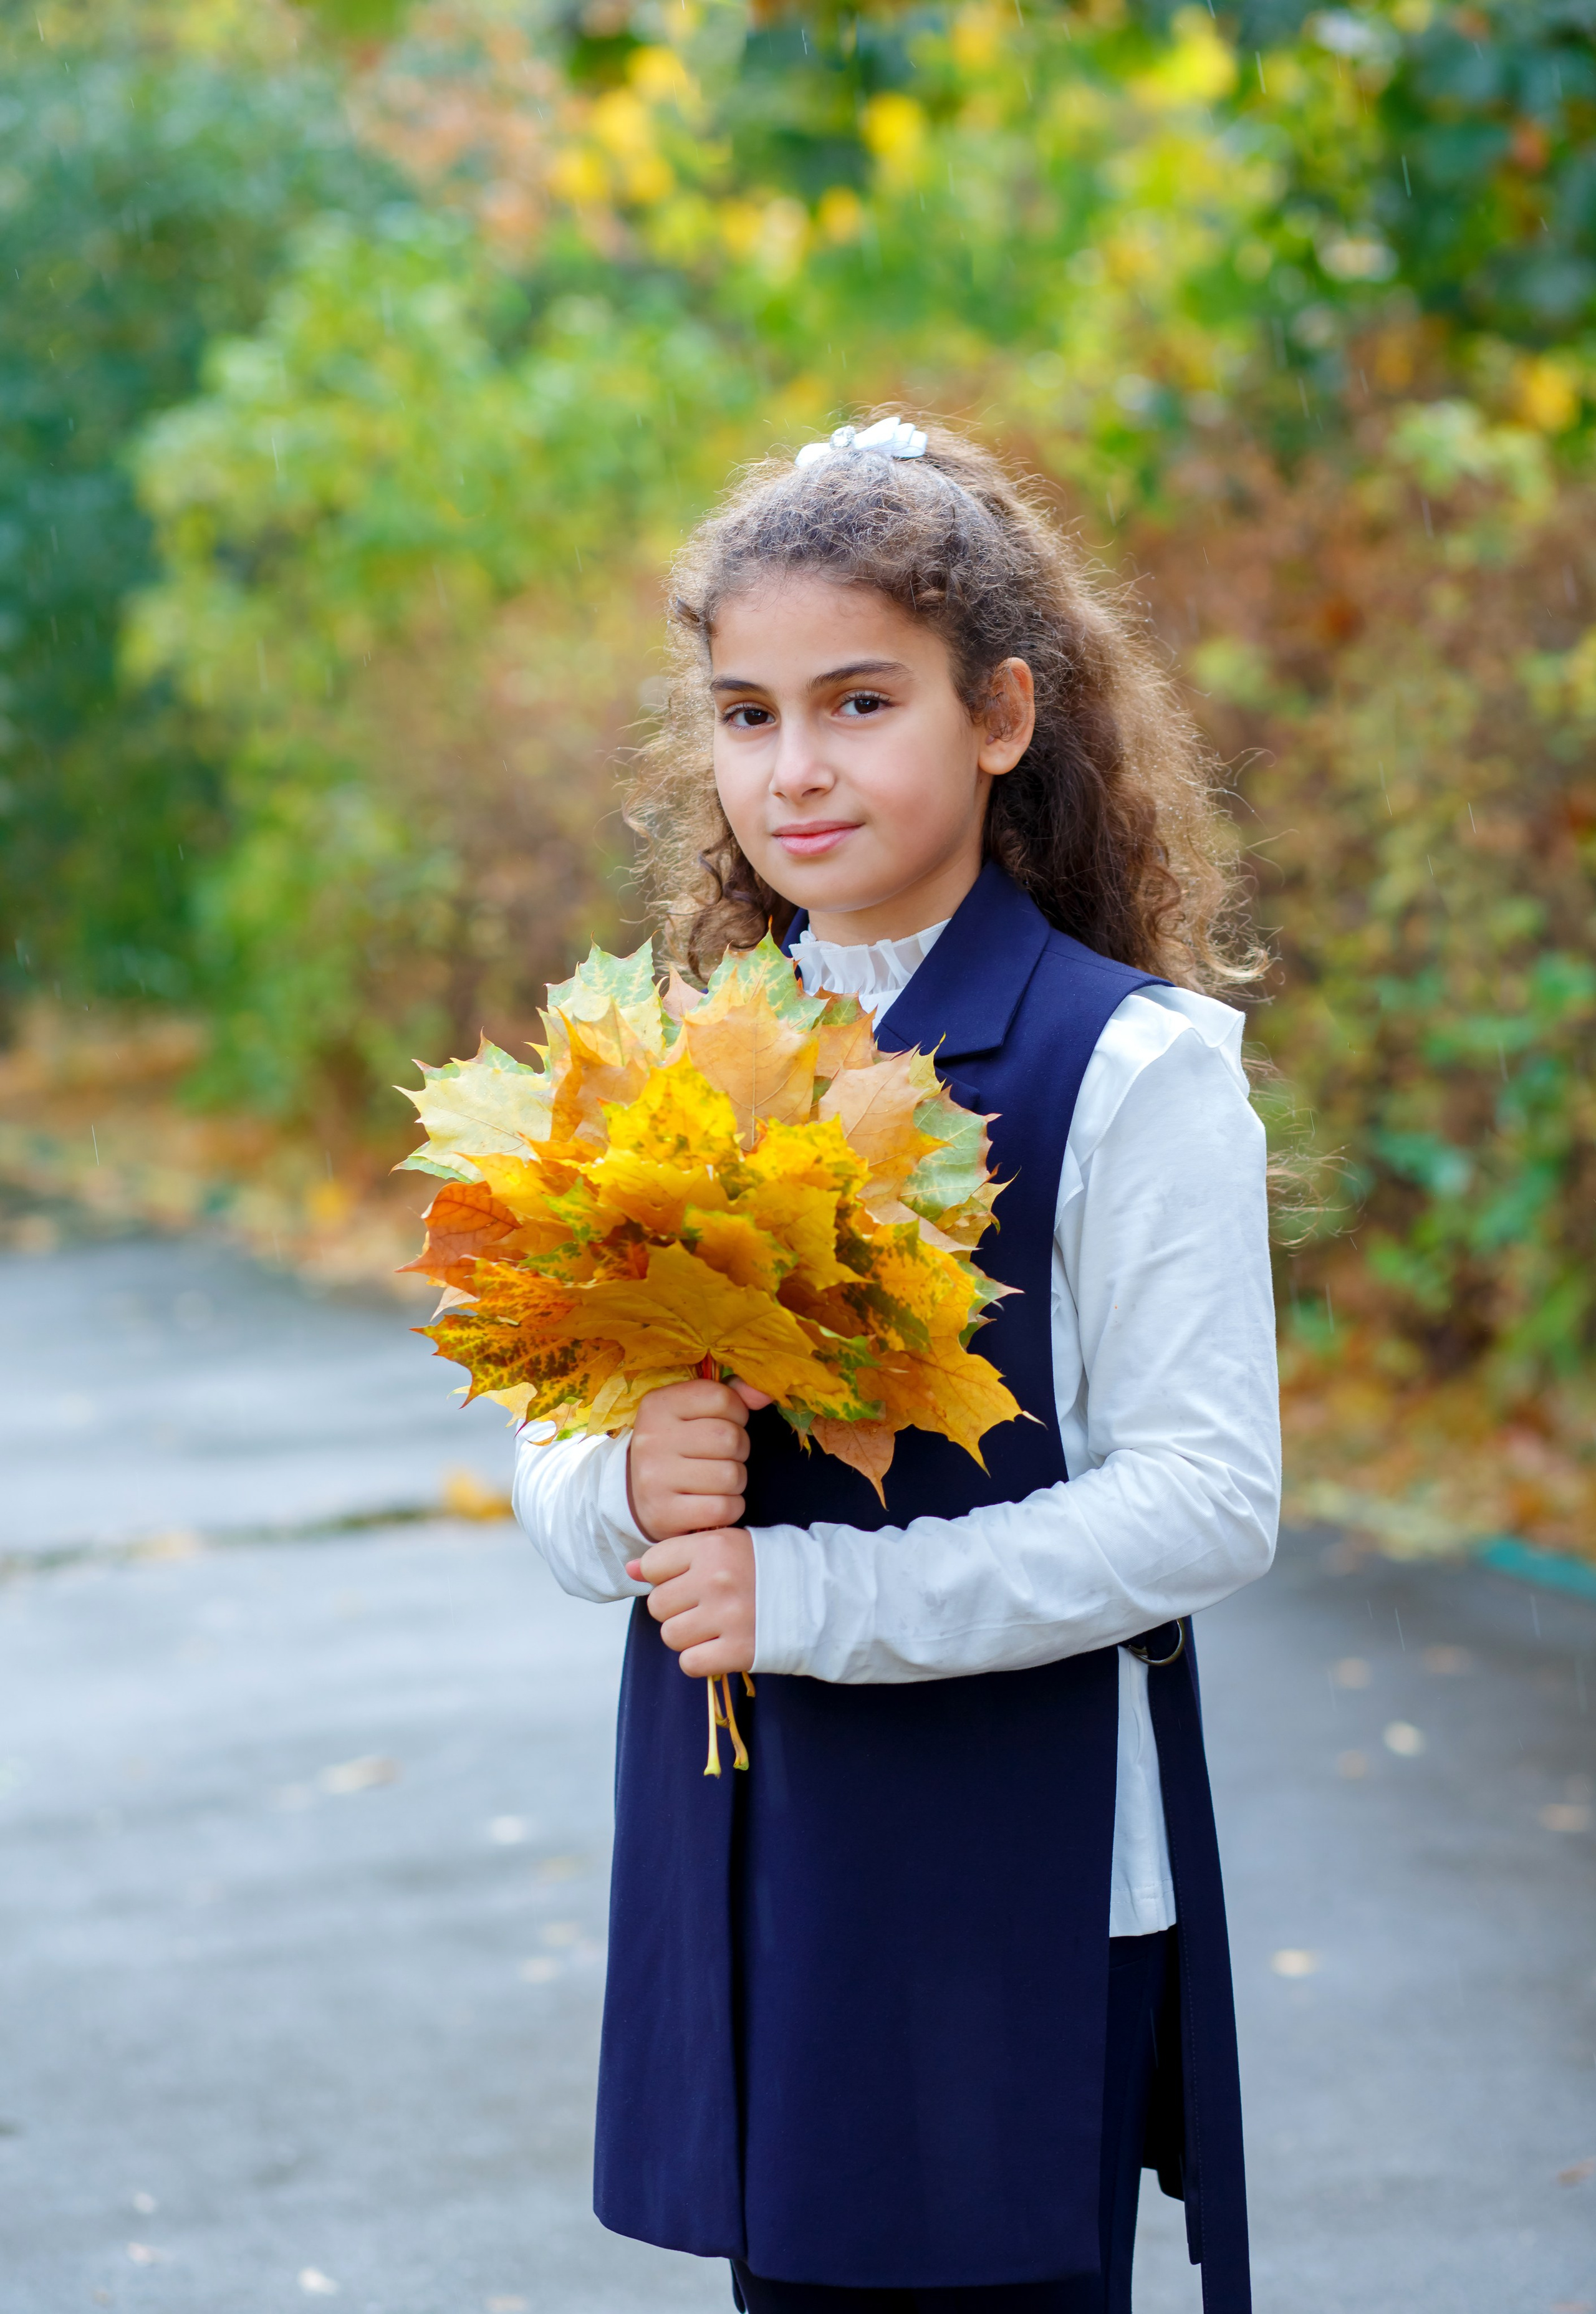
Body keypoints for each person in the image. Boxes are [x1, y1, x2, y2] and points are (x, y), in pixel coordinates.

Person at [514, 413, 1280, 2314]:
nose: (797, 768)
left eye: (861, 703)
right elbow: (556, 1455)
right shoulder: (686, 1058)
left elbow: (1207, 1505)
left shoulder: (1134, 1067)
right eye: (749, 713)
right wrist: (621, 1487)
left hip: (1002, 1893)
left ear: (1002, 714)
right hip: (756, 1859)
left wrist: (812, 1590)